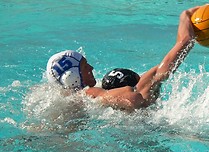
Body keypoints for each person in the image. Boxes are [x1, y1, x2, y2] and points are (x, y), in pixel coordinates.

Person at [46, 6, 200, 111]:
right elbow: (133, 99)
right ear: (72, 77)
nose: (92, 68)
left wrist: (186, 35)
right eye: (86, 67)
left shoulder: (54, 97)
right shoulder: (87, 94)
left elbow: (165, 65)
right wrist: (184, 19)